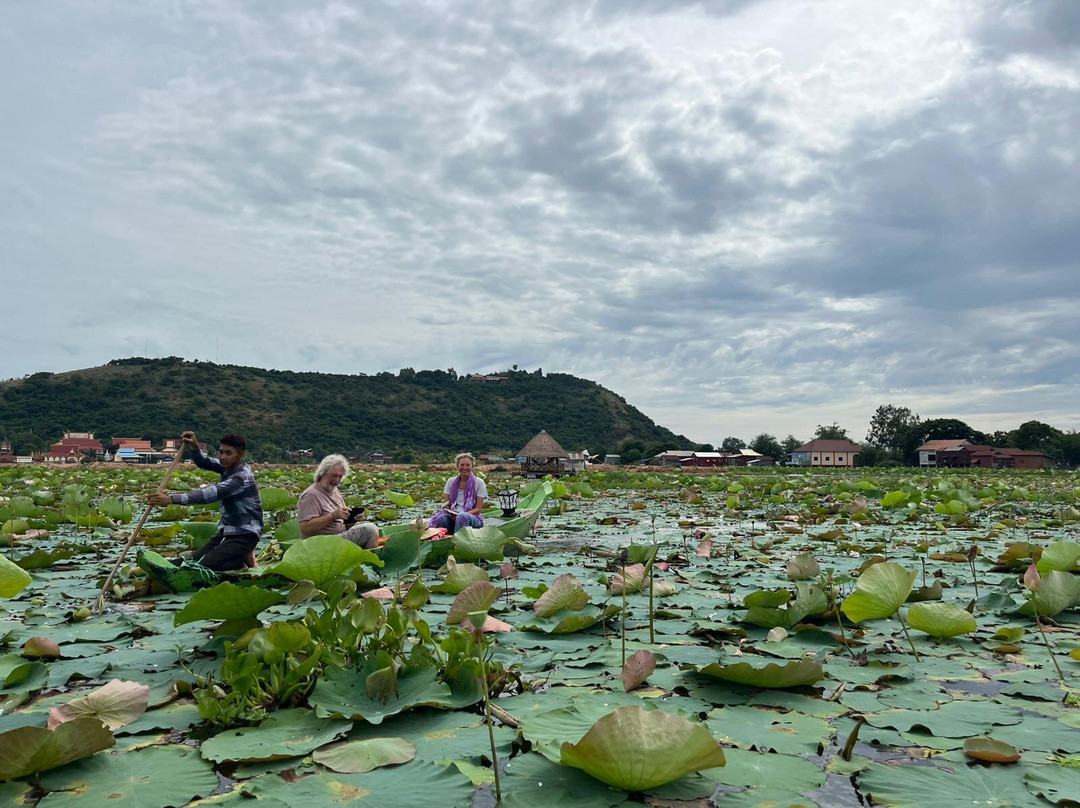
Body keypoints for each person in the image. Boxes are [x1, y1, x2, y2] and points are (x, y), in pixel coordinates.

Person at [147, 431, 263, 571]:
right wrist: (195, 446)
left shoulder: (241, 477)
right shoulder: (228, 468)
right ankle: (240, 559)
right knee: (194, 560)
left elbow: (210, 494)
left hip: (245, 535)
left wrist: (171, 499)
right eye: (220, 452)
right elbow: (204, 462)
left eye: (228, 453)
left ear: (241, 454)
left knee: (204, 567)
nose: (222, 457)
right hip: (227, 532)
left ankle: (240, 562)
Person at [297, 454, 380, 549]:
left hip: (338, 538)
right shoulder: (311, 495)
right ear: (323, 473)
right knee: (370, 529)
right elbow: (305, 529)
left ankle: (362, 560)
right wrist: (332, 516)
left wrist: (353, 518)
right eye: (334, 475)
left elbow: (346, 525)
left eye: (340, 477)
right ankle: (367, 562)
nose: (337, 480)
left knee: (374, 529)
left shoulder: (335, 491)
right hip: (321, 544)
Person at [428, 452, 487, 534]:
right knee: (441, 518)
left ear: (472, 467)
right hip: (453, 516)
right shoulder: (450, 482)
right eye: (462, 465)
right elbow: (446, 504)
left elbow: (478, 509)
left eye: (468, 465)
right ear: (457, 466)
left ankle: (459, 540)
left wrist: (459, 515)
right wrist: (450, 514)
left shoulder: (479, 483)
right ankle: (440, 539)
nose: (465, 467)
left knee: (462, 517)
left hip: (472, 517)